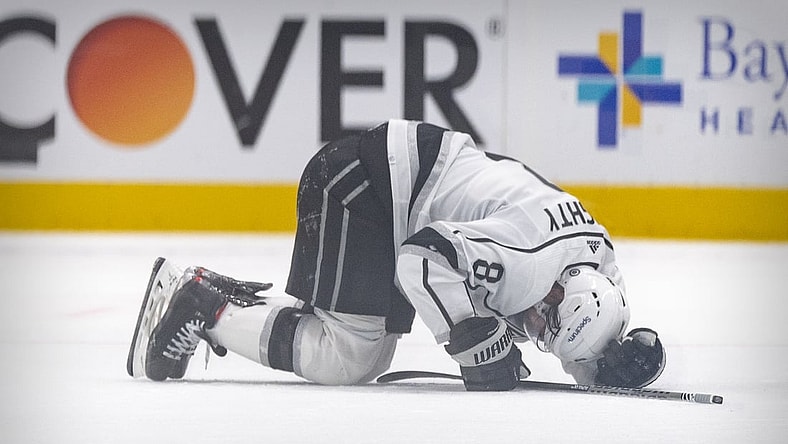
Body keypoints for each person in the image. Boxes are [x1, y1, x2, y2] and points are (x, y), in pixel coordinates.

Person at [127, 119, 665, 391]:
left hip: (397, 182)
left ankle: (215, 299)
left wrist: (613, 361)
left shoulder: (597, 260)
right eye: (544, 324)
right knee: (347, 358)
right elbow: (420, 261)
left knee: (365, 353)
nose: (533, 329)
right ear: (551, 294)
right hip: (360, 190)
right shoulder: (521, 263)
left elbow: (591, 320)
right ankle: (203, 305)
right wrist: (478, 345)